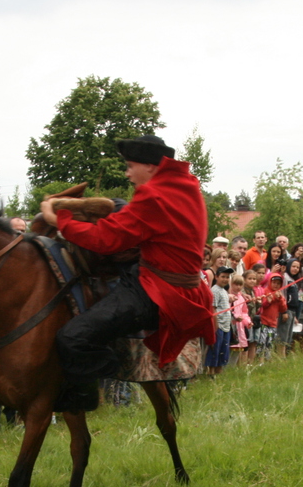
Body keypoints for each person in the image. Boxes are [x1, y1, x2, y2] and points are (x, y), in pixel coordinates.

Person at [41, 135, 215, 412]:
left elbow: (105, 239)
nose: (127, 173)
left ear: (149, 166)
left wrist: (58, 220)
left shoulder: (154, 194)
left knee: (71, 338)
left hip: (159, 292)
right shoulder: (186, 185)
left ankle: (84, 396)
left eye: (130, 166)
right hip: (180, 288)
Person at [206, 267, 232, 375]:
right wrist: (215, 326)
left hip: (226, 326)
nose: (225, 279)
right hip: (219, 326)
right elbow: (213, 308)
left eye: (227, 277)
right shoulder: (215, 290)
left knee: (223, 351)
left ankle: (219, 372)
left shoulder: (224, 291)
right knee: (215, 350)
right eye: (223, 277)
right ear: (216, 277)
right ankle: (211, 373)